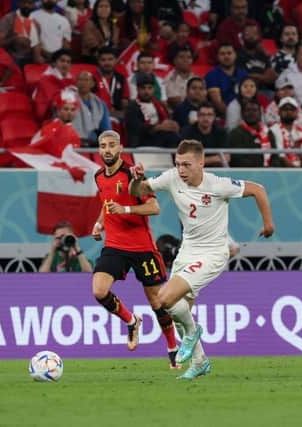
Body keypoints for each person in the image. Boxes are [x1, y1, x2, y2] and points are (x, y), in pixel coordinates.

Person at [129, 139, 275, 379]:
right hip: (187, 251)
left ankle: (191, 332)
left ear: (201, 163)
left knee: (164, 299)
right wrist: (136, 179)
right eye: (178, 164)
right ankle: (200, 362)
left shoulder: (218, 184)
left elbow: (258, 189)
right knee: (178, 312)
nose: (181, 170)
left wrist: (268, 223)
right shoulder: (172, 178)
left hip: (213, 253)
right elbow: (138, 191)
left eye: (186, 165)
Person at [90, 130, 181, 367]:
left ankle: (172, 346)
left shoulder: (132, 175)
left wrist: (126, 210)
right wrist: (100, 223)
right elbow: (106, 203)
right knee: (99, 291)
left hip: (142, 248)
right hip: (114, 245)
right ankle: (131, 322)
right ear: (99, 150)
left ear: (120, 148)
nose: (107, 150)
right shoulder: (98, 176)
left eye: (111, 145)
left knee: (157, 302)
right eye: (102, 146)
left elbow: (154, 207)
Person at [126, 73, 180, 148]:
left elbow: (166, 120)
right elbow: (137, 128)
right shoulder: (132, 107)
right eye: (143, 88)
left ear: (153, 89)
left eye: (149, 88)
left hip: (161, 136)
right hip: (143, 141)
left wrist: (171, 124)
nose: (146, 91)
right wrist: (157, 127)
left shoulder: (159, 104)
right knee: (171, 138)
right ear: (137, 89)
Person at [0, 0, 45, 67]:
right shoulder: (8, 19)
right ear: (19, 3)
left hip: (29, 61)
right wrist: (14, 39)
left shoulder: (36, 24)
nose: (26, 5)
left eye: (29, 3)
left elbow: (36, 49)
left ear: (33, 5)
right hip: (9, 59)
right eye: (24, 2)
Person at [205, 42, 248, 116]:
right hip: (223, 116)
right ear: (218, 57)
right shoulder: (212, 75)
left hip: (244, 113)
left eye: (229, 53)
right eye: (222, 54)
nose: (226, 56)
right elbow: (218, 103)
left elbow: (249, 97)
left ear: (235, 55)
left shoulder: (244, 74)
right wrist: (233, 117)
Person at [269, 96, 302, 168]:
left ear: (296, 112)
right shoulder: (273, 130)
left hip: (301, 171)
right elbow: (281, 157)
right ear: (279, 112)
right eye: (285, 109)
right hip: (282, 170)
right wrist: (296, 172)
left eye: (292, 109)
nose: (289, 112)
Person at [180, 102, 229, 167]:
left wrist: (198, 161)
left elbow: (227, 158)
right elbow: (184, 159)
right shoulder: (187, 131)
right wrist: (215, 159)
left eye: (209, 115)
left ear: (214, 116)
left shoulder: (221, 132)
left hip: (216, 172)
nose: (206, 118)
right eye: (202, 115)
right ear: (197, 116)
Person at [32, 49, 75, 122]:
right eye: (62, 61)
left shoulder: (71, 79)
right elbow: (52, 103)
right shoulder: (46, 79)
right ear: (54, 63)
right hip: (50, 116)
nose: (65, 64)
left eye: (68, 62)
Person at [228, 98, 273, 167]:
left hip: (270, 173)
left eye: (255, 110)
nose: (251, 113)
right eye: (248, 110)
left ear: (260, 113)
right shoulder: (235, 133)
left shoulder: (268, 132)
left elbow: (275, 157)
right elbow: (237, 159)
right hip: (245, 174)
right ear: (242, 113)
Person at [71, 71, 112, 146]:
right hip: (73, 142)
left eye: (86, 80)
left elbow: (106, 130)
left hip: (94, 144)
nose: (83, 83)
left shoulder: (100, 104)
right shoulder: (68, 100)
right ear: (76, 83)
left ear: (92, 84)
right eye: (80, 80)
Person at [236, 22, 277, 92]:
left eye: (254, 34)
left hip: (264, 90)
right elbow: (245, 77)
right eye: (248, 34)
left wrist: (257, 77)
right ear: (242, 36)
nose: (251, 37)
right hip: (245, 90)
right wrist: (264, 77)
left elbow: (272, 77)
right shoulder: (238, 55)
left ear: (258, 36)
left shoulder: (263, 55)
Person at [94, 47, 129, 120]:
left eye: (110, 59)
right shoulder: (92, 79)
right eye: (103, 60)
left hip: (118, 115)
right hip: (99, 116)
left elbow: (125, 101)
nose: (107, 63)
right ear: (98, 61)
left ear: (115, 60)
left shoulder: (121, 78)